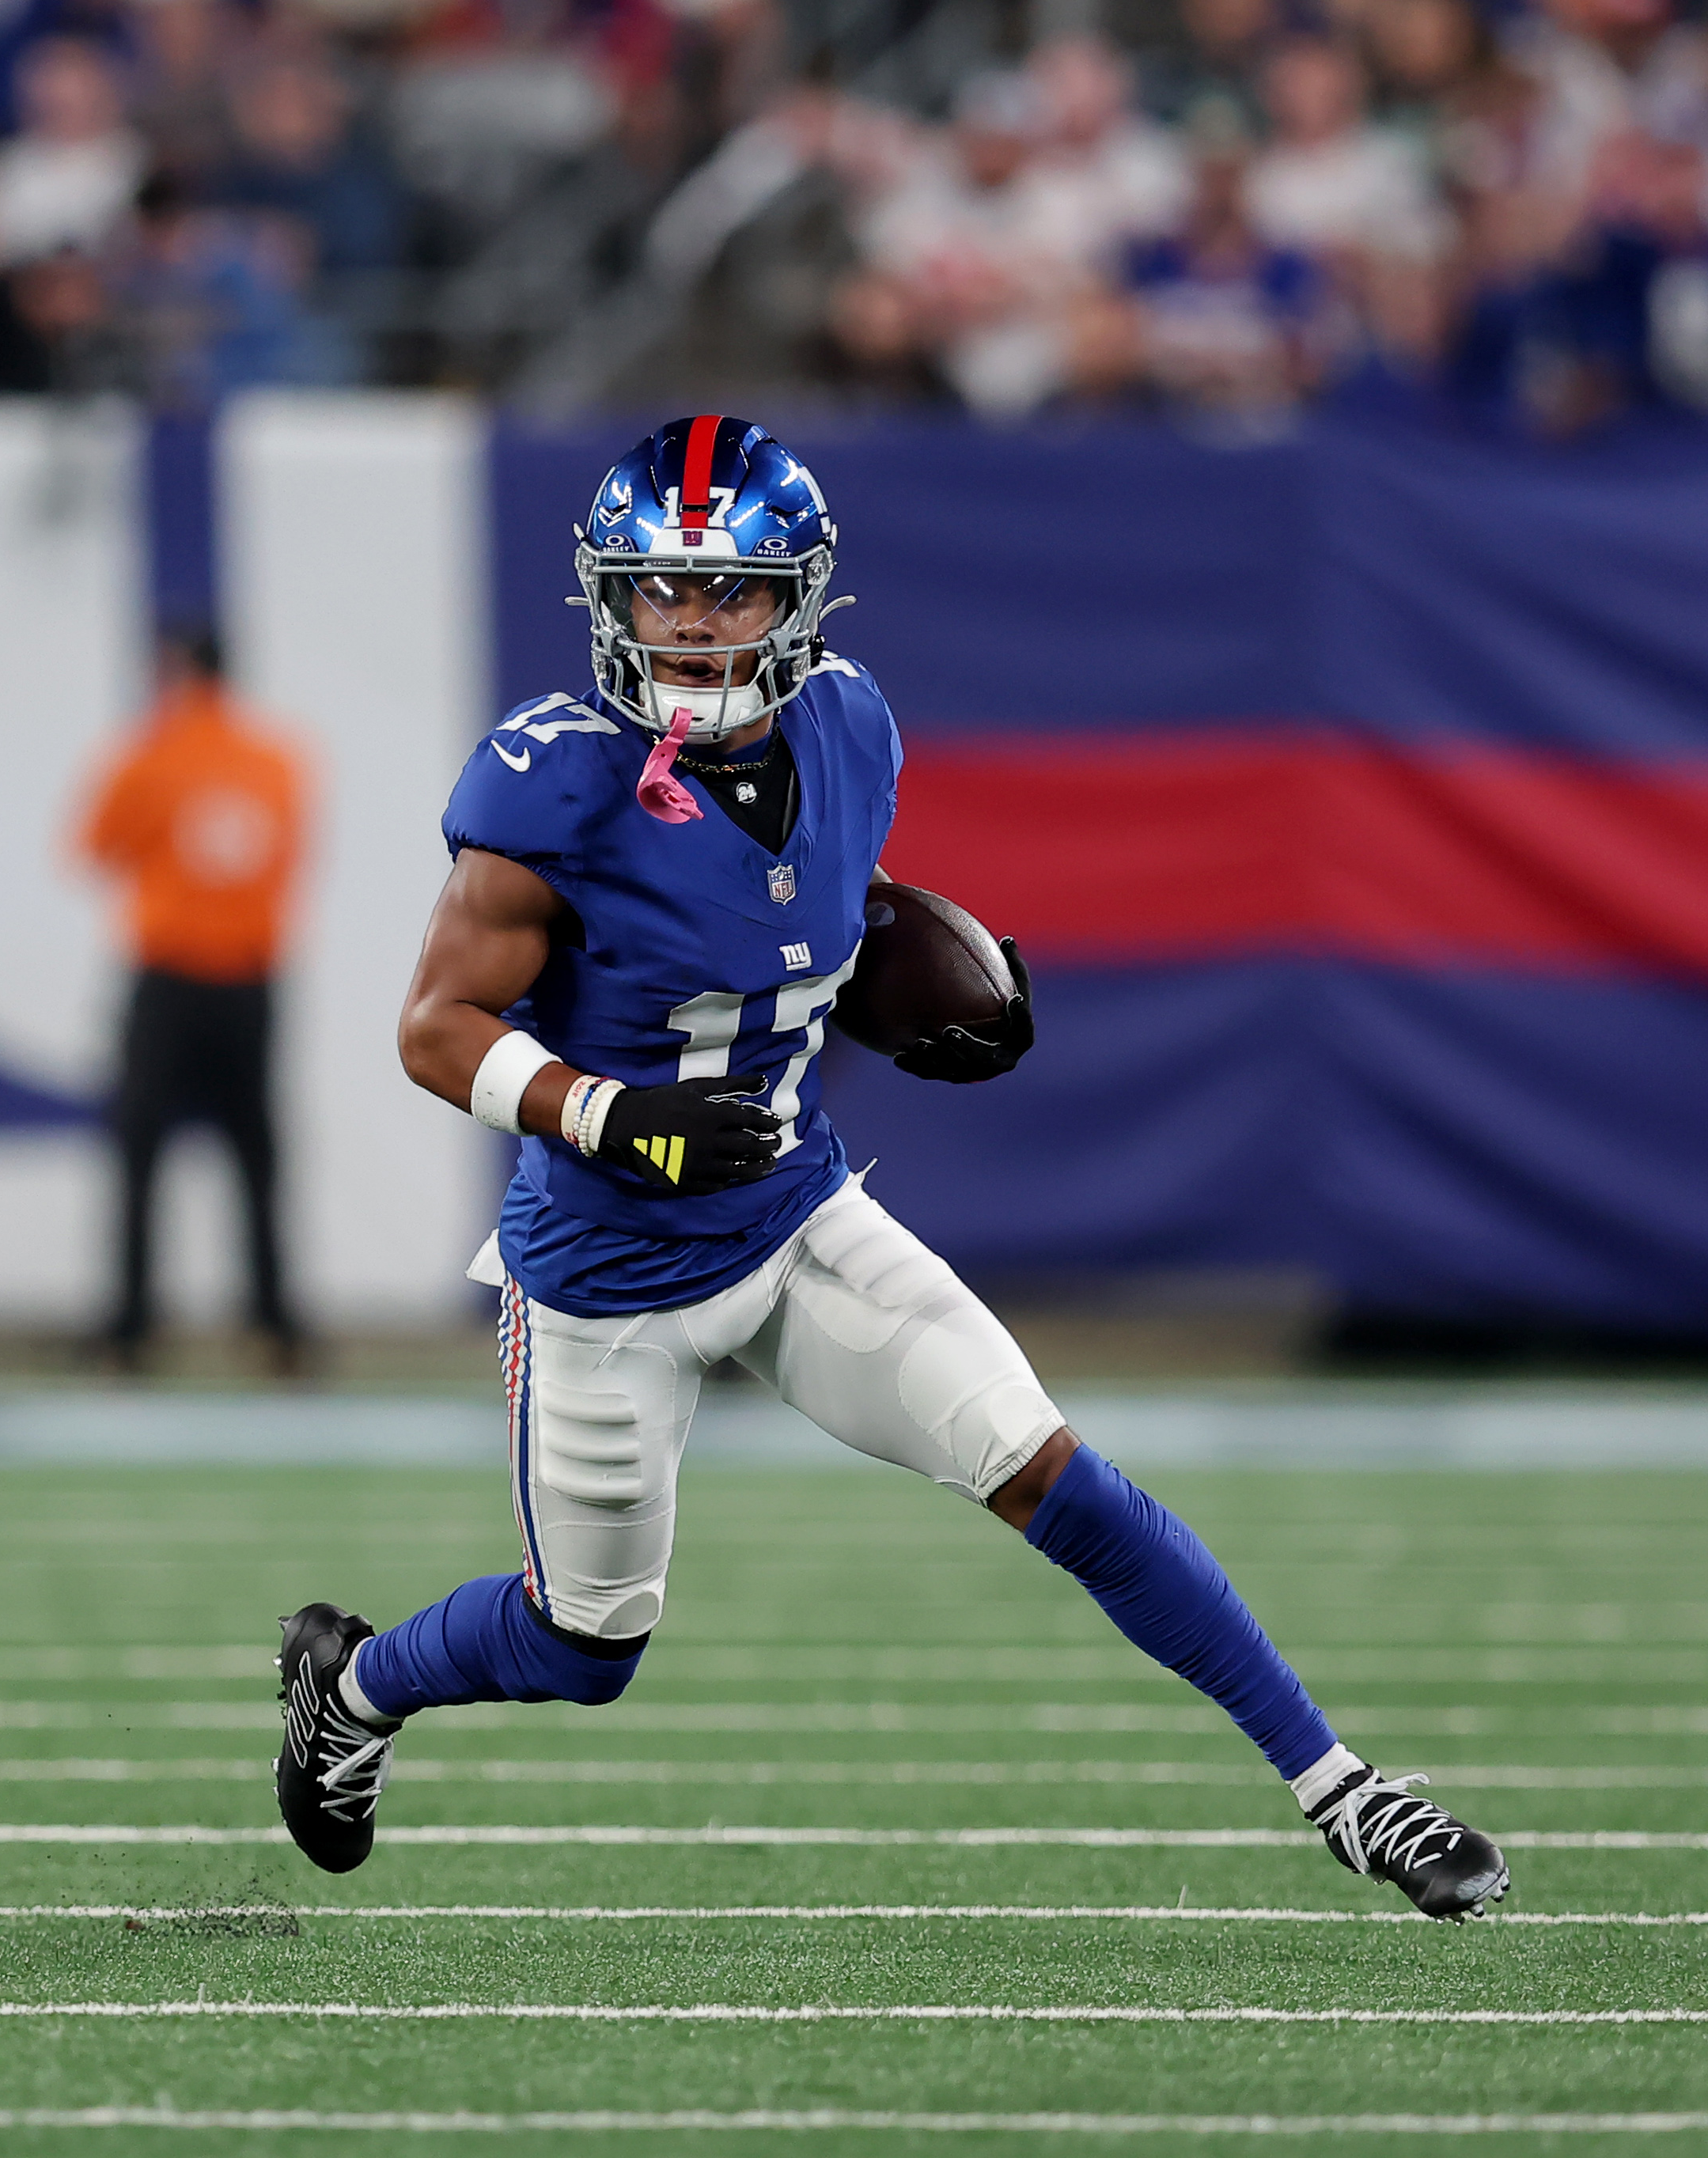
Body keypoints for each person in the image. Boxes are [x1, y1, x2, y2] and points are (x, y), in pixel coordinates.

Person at [270, 415, 1509, 1925]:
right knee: (585, 1646)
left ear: (799, 602)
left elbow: (804, 916)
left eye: (731, 593)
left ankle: (1346, 1789)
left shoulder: (850, 725)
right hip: (603, 1274)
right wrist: (613, 1118)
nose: (692, 622)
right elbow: (432, 1030)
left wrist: (912, 989)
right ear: (609, 593)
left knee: (1055, 1473)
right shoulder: (549, 787)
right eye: (662, 587)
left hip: (792, 1220)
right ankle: (355, 1685)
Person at [74, 624, 310, 1371]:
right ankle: (275, 1327)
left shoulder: (150, 753)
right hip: (249, 978)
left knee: (140, 1153)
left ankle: (131, 1329)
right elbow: (290, 857)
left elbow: (94, 848)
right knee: (258, 1156)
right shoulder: (276, 760)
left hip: (170, 977)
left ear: (175, 671)